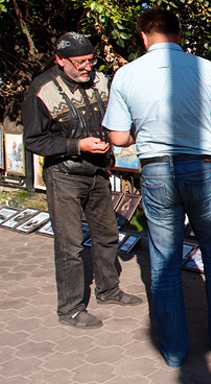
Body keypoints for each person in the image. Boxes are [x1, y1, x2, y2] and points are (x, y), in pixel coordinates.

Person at [102, 8, 211, 367]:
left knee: (164, 262)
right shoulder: (205, 68)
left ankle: (173, 350)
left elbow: (118, 137)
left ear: (143, 37)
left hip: (156, 172)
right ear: (179, 34)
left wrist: (143, 132)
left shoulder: (126, 74)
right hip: (200, 168)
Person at [22, 32, 143, 330]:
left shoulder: (101, 80)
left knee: (107, 234)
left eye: (91, 60)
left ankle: (108, 289)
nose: (88, 67)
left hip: (98, 171)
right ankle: (70, 308)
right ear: (60, 60)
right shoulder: (41, 90)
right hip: (64, 175)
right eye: (80, 62)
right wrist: (77, 146)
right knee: (70, 244)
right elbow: (34, 140)